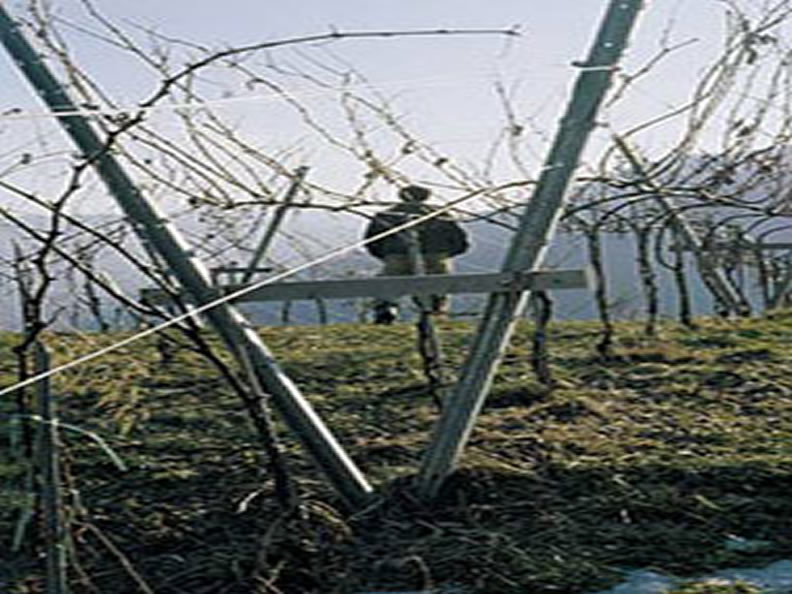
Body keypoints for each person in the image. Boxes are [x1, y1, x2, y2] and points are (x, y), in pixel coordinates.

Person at [363, 185, 469, 324]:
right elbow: (458, 238)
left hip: (397, 255)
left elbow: (372, 239)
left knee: (389, 287)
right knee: (437, 286)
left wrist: (385, 255)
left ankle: (387, 311)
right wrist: (447, 253)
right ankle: (434, 315)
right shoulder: (439, 215)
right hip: (435, 255)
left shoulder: (387, 215)